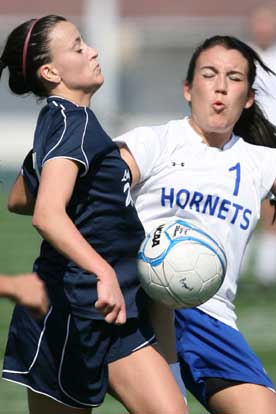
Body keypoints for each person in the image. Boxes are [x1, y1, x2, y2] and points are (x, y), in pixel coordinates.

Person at [0, 15, 187, 414]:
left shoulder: (68, 120)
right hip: (71, 314)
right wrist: (103, 272)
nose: (94, 50)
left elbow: (18, 198)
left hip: (117, 311)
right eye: (79, 46)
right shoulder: (70, 124)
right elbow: (46, 215)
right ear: (50, 71)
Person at [113, 36, 276, 413]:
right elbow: (98, 189)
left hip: (212, 315)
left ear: (249, 98)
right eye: (209, 74)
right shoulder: (154, 141)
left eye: (234, 78)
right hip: (141, 303)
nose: (220, 86)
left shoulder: (259, 162)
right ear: (189, 89)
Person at [244, 3, 276, 287]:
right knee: (244, 198)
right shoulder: (244, 57)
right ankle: (237, 268)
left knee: (272, 204)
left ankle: (268, 272)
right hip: (249, 138)